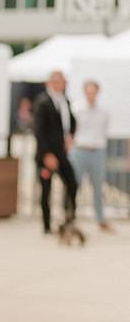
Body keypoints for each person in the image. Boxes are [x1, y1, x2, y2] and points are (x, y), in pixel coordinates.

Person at [33, 71, 77, 235]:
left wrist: (71, 136)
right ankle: (47, 226)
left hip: (61, 152)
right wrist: (46, 154)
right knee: (46, 190)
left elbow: (72, 122)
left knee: (72, 183)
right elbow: (38, 131)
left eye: (61, 81)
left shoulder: (65, 101)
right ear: (49, 83)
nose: (59, 84)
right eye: (56, 81)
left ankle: (69, 217)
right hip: (47, 154)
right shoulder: (42, 102)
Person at [71, 80, 113, 232]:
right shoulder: (77, 109)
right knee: (75, 185)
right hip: (81, 149)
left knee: (98, 186)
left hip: (97, 151)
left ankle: (101, 218)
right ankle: (71, 216)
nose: (91, 95)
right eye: (88, 91)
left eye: (93, 91)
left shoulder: (103, 111)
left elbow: (104, 129)